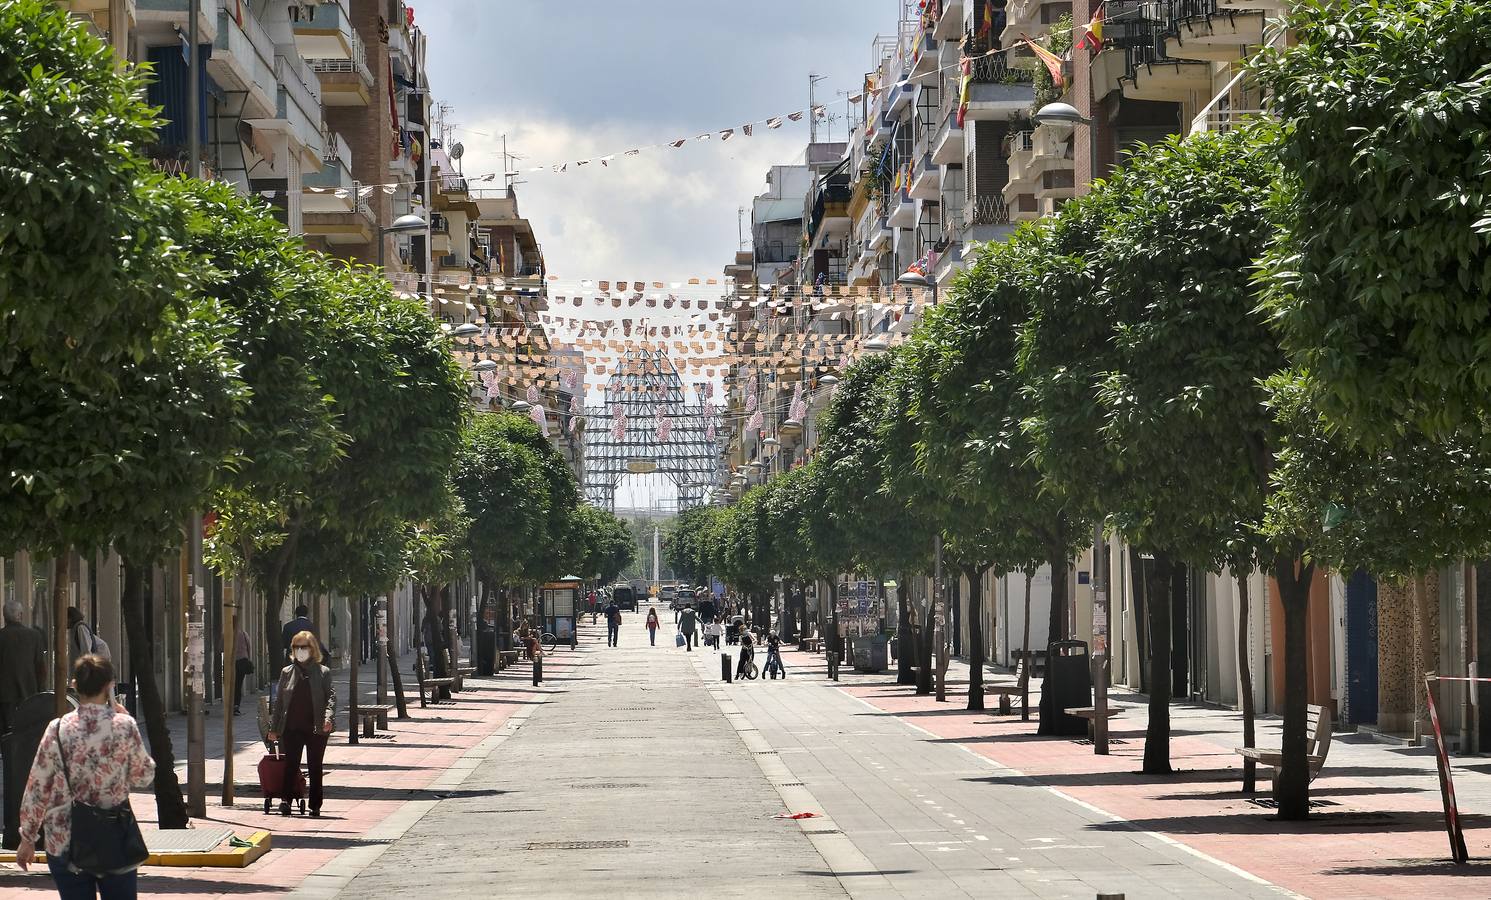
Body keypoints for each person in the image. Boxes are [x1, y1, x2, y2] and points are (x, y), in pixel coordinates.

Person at [16, 654, 153, 896]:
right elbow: (144, 776)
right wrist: (126, 719)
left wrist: (28, 837)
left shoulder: (57, 728)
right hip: (115, 836)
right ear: (109, 685)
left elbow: (38, 786)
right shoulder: (124, 726)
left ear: (75, 685)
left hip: (64, 838)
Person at [267, 631, 336, 818]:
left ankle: (315, 805)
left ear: (312, 649)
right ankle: (285, 801)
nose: (300, 651)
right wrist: (273, 728)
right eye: (296, 647)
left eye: (303, 647)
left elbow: (331, 697)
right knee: (291, 764)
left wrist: (328, 718)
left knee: (315, 766)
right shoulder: (286, 672)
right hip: (292, 728)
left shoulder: (323, 673)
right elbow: (279, 702)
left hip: (316, 728)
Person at [0, 600, 45, 732]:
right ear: (20, 615)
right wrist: (41, 690)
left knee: (6, 733)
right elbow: (40, 666)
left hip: (4, 695)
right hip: (29, 692)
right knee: (26, 730)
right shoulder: (34, 636)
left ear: (4, 616)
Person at [233, 622, 253, 716]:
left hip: (231, 662)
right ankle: (236, 706)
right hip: (242, 661)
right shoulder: (244, 634)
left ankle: (230, 706)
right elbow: (249, 647)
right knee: (238, 684)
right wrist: (248, 658)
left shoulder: (226, 633)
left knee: (230, 685)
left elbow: (220, 648)